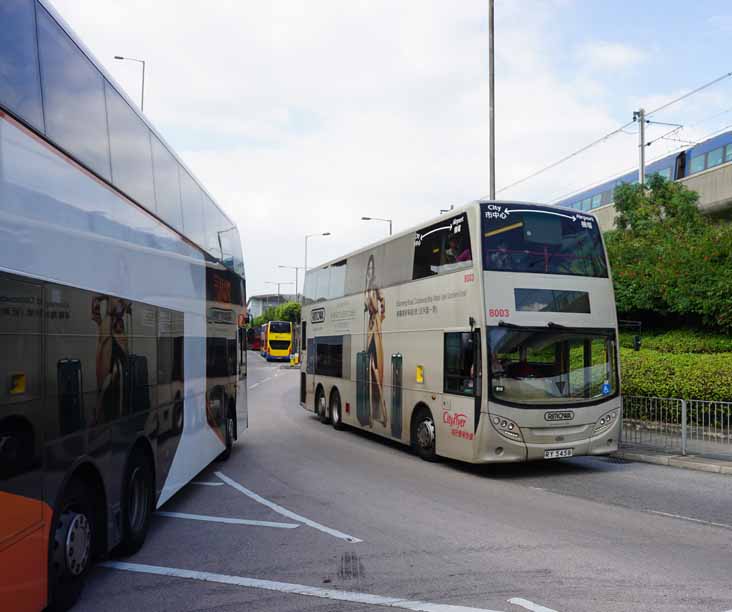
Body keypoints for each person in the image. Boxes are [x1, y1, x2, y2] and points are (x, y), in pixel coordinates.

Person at [364, 255, 388, 427]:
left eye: (373, 268)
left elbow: (383, 299)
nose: (371, 271)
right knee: (368, 365)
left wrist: (381, 315)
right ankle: (372, 413)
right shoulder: (365, 287)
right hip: (369, 326)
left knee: (376, 366)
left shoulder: (375, 285)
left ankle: (381, 413)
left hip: (376, 325)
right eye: (369, 268)